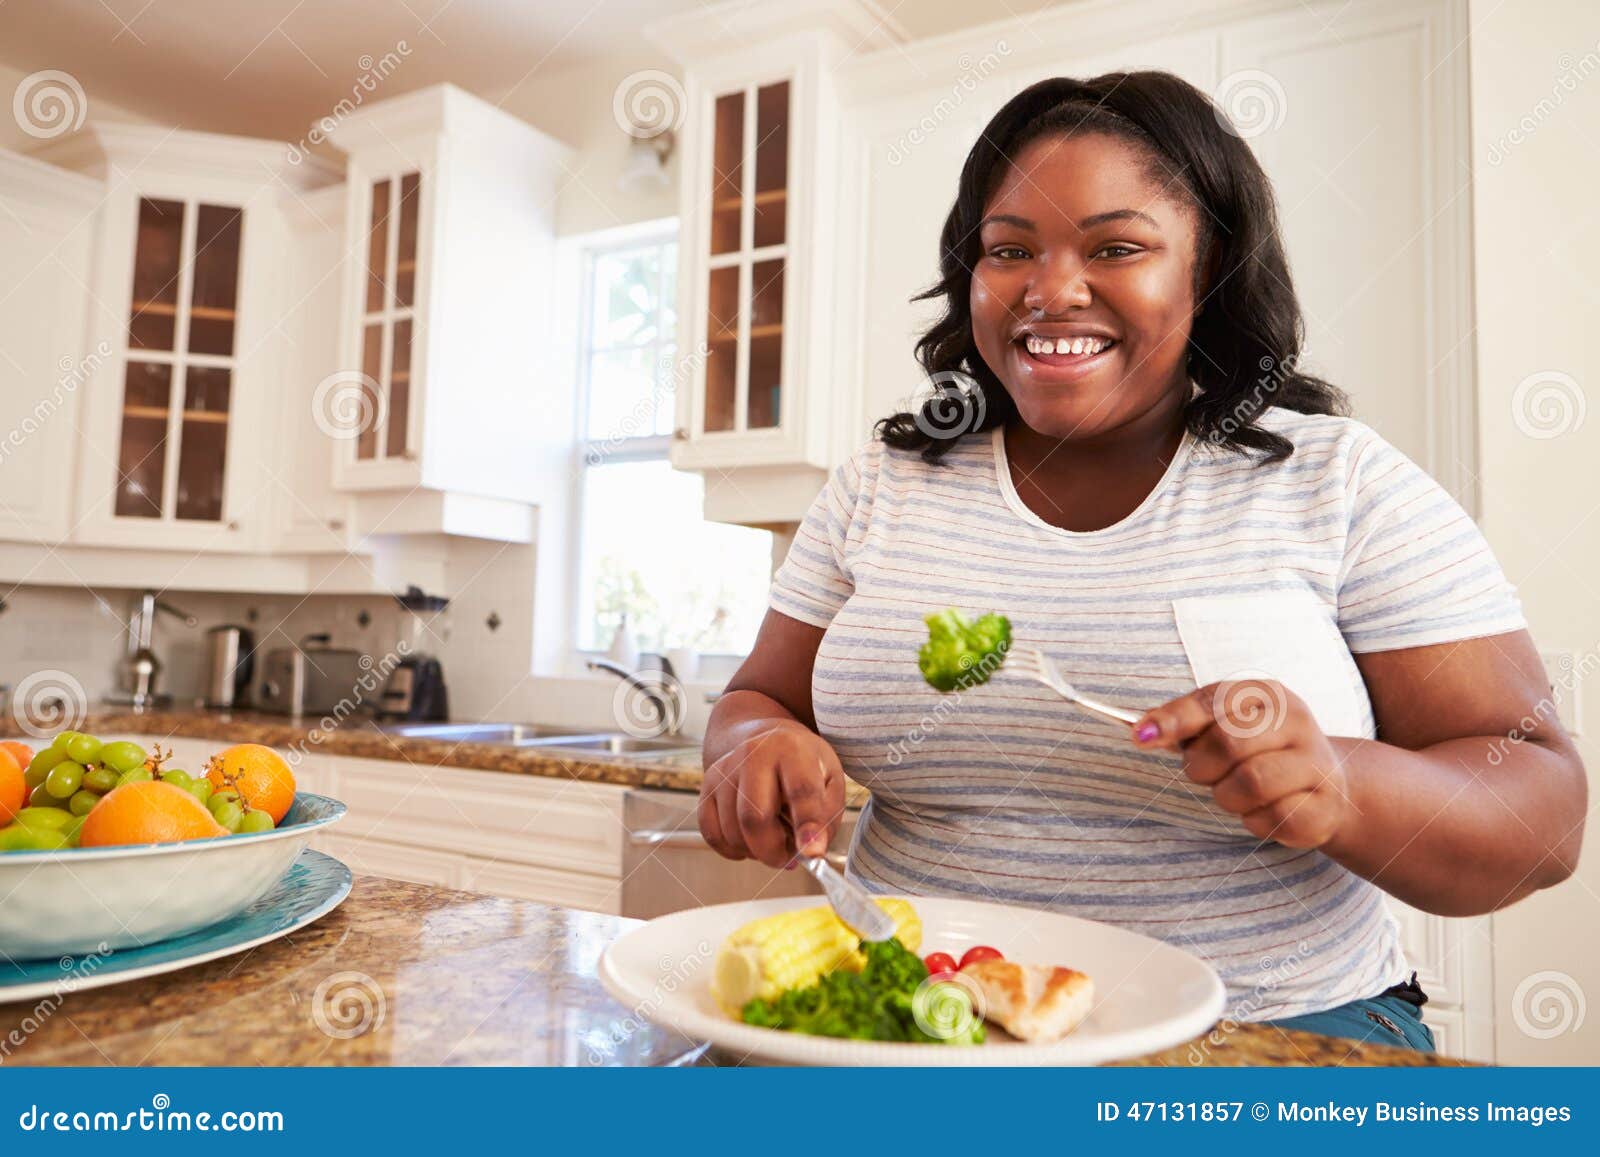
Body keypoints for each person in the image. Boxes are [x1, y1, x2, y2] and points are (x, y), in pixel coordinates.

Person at [697, 71, 1586, 1050]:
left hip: (1269, 1029)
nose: (1049, 289)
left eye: (1115, 247)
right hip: (917, 1019)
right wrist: (752, 750)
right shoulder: (882, 480)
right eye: (1008, 250)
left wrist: (1341, 780)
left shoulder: (1338, 482)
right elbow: (756, 702)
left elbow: (1542, 812)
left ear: (1208, 270)